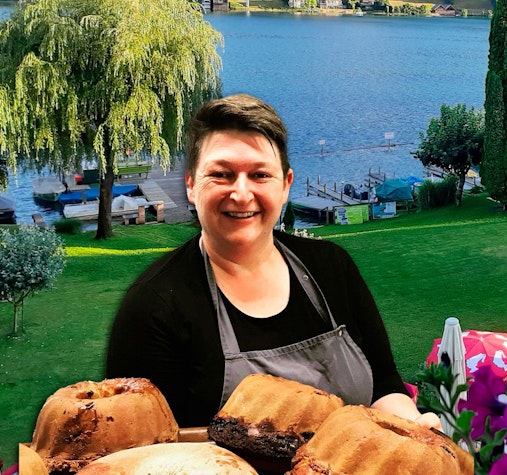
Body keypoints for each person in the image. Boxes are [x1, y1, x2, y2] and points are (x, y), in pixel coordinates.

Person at [106, 94, 437, 428]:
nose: (241, 194)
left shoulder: (331, 267)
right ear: (192, 185)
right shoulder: (154, 306)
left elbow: (383, 385)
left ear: (285, 186)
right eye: (221, 174)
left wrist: (413, 424)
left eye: (260, 175)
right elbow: (137, 443)